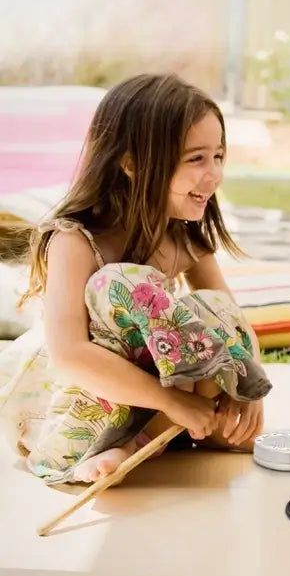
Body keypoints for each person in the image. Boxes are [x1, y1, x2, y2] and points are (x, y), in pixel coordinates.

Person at [0, 74, 272, 485]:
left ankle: (151, 436)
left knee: (213, 308)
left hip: (151, 396)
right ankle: (129, 439)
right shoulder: (75, 241)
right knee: (122, 282)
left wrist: (248, 383)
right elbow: (70, 355)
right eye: (196, 159)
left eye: (217, 156)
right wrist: (170, 399)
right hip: (74, 394)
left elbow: (230, 317)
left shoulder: (184, 233)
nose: (214, 175)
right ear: (131, 164)